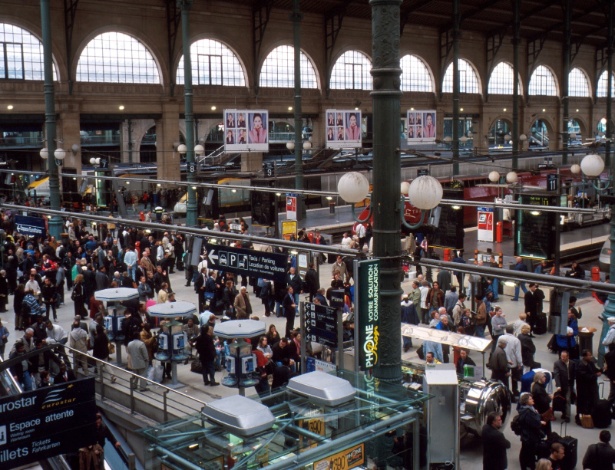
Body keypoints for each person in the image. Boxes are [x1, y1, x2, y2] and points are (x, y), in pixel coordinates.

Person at [517, 393, 546, 470]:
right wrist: (540, 421)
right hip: (530, 436)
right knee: (529, 453)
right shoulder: (528, 411)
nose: (532, 400)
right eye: (530, 399)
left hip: (527, 436)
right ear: (526, 401)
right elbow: (534, 423)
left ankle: (526, 466)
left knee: (525, 451)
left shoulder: (528, 409)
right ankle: (528, 466)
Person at [576, 348, 602, 425]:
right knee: (584, 404)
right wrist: (595, 375)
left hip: (591, 388)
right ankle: (582, 419)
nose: (591, 356)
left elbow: (595, 369)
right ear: (585, 356)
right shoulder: (581, 365)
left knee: (591, 403)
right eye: (589, 355)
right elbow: (585, 377)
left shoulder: (590, 363)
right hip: (584, 389)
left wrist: (600, 370)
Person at [553, 349, 576, 422]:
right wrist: (558, 385)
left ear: (568, 357)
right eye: (561, 356)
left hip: (569, 384)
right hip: (562, 384)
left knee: (568, 399)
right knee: (563, 399)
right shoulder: (557, 363)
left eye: (564, 357)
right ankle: (565, 412)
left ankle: (567, 415)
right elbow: (557, 375)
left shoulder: (572, 363)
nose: (562, 358)